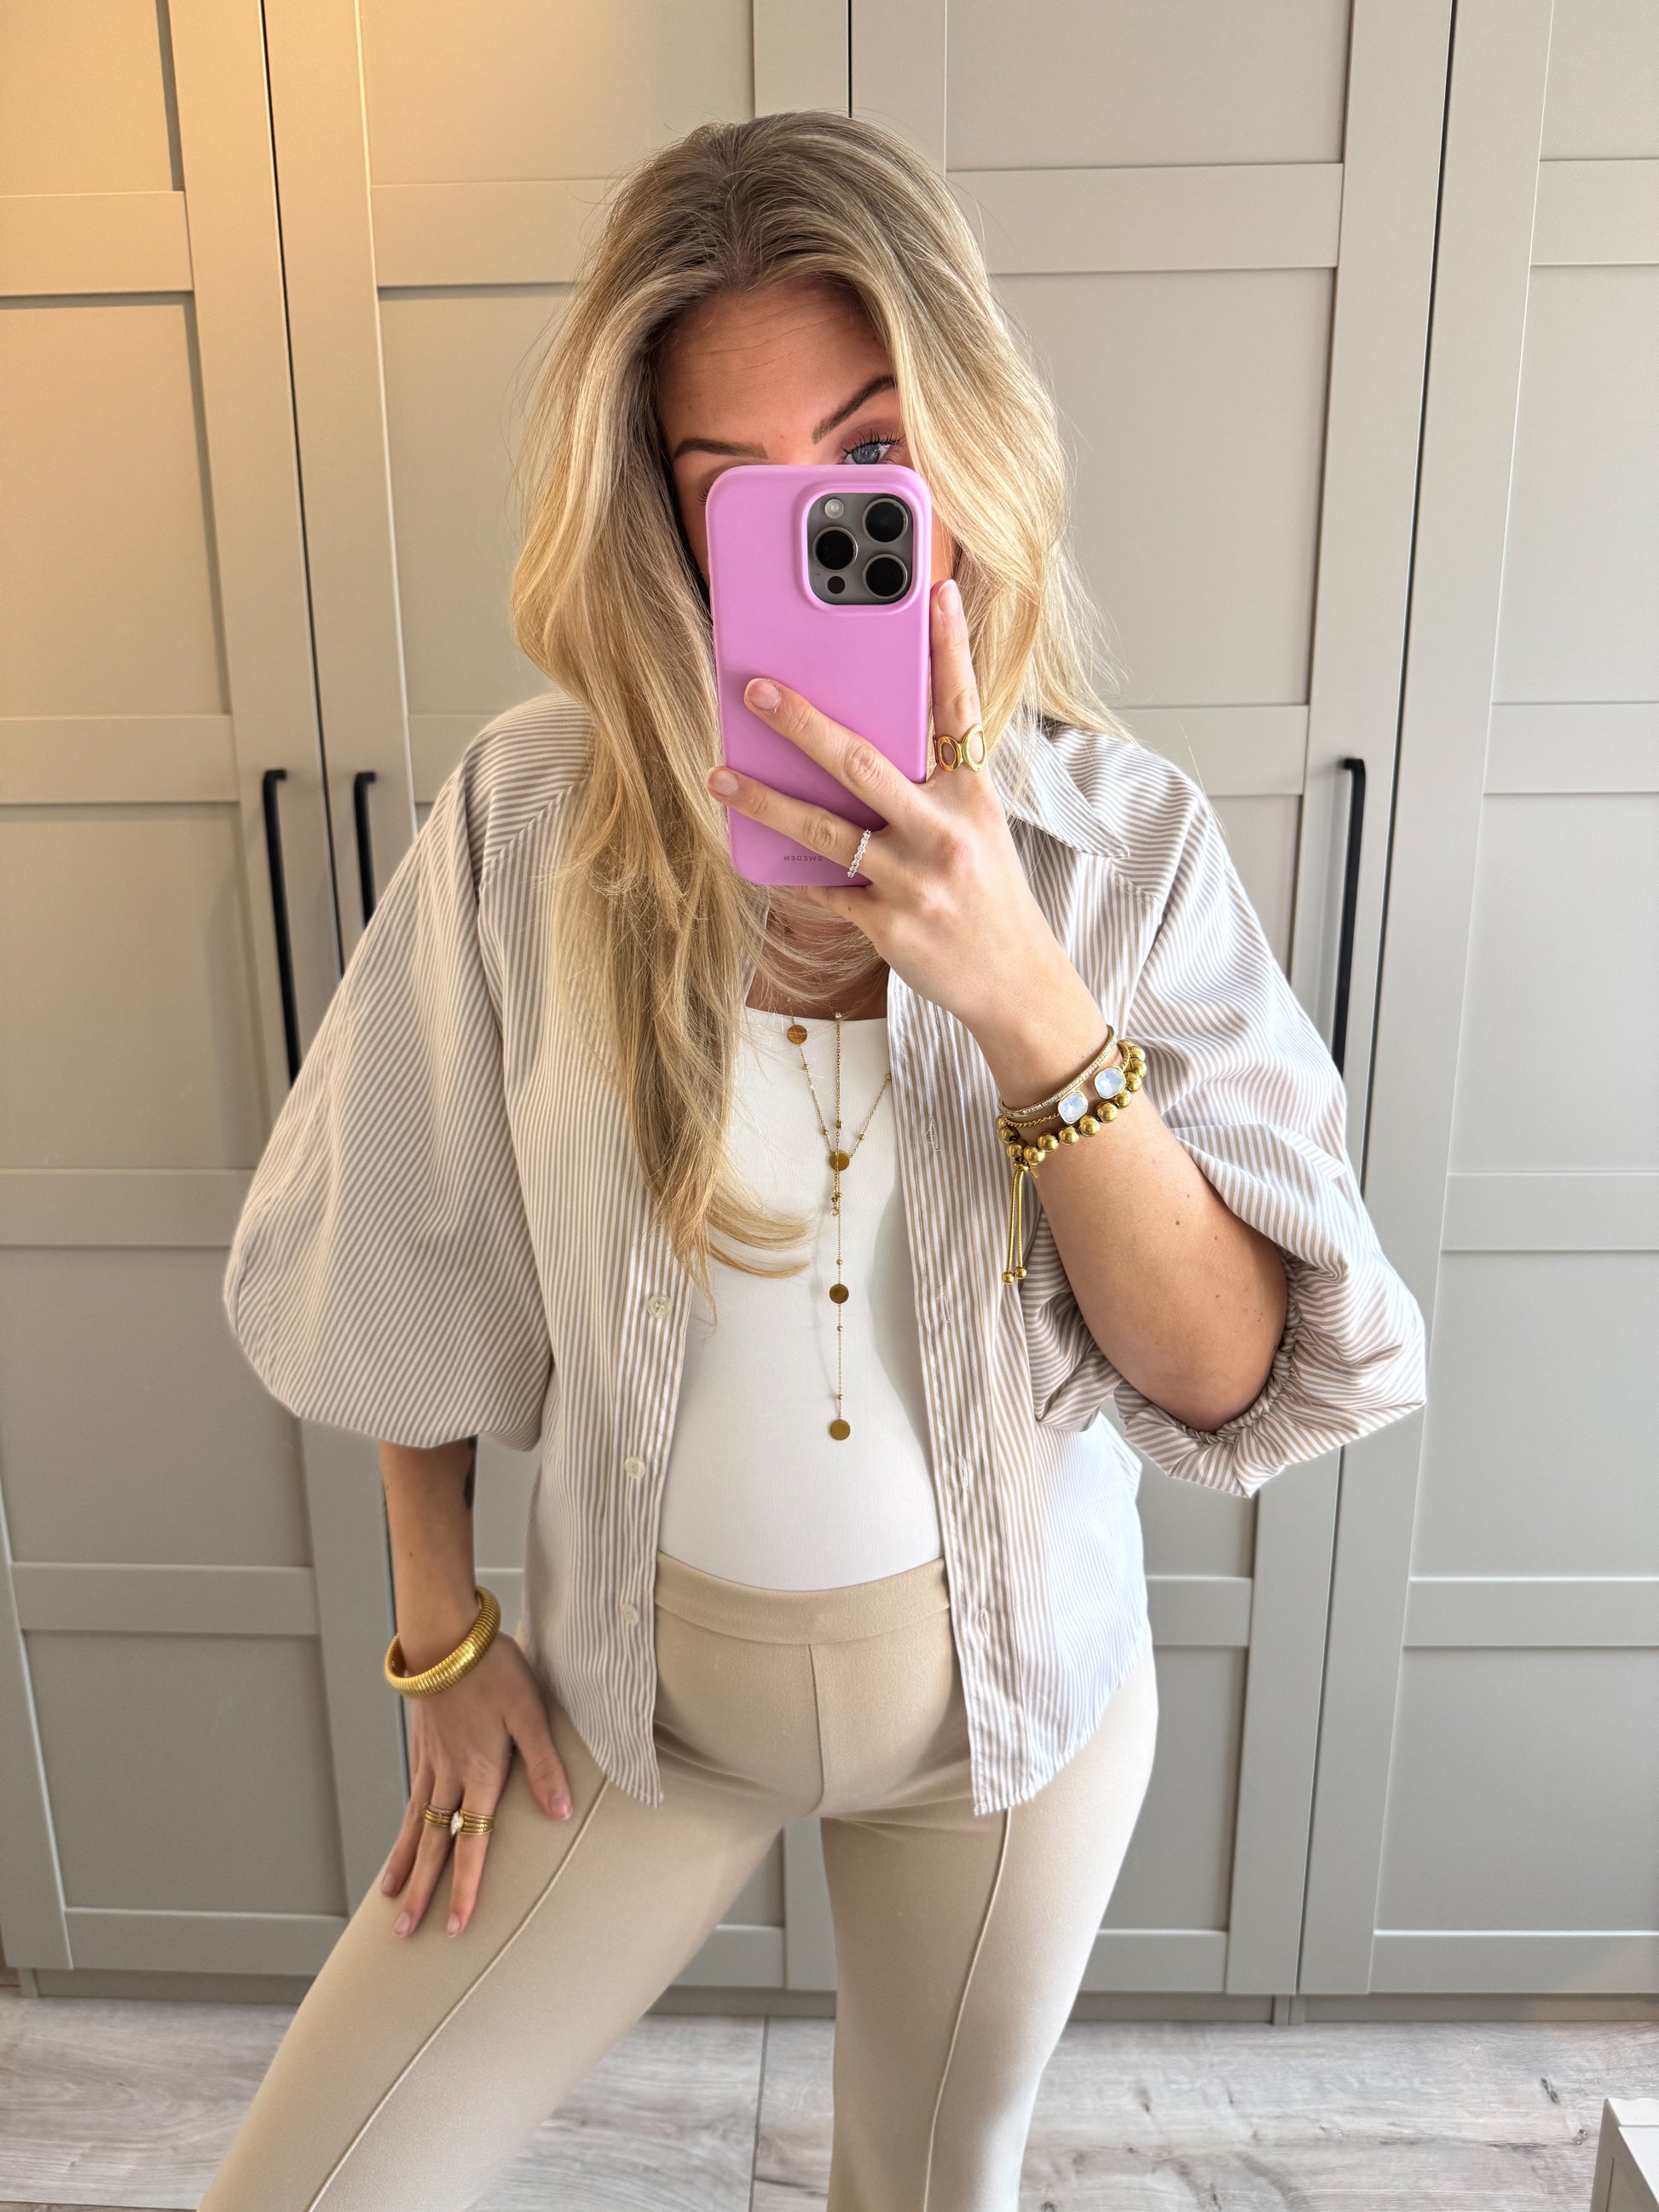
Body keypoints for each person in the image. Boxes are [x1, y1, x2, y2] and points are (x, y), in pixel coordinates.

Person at [203, 110, 1426, 2212]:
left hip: (1008, 1730)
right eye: (738, 485)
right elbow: (405, 1232)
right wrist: (438, 1634)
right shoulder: (528, 824)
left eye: (867, 452)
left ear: (959, 443)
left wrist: (1027, 996)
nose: (825, 524)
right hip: (626, 1707)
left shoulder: (1116, 845)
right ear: (667, 528)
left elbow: (1227, 1370)